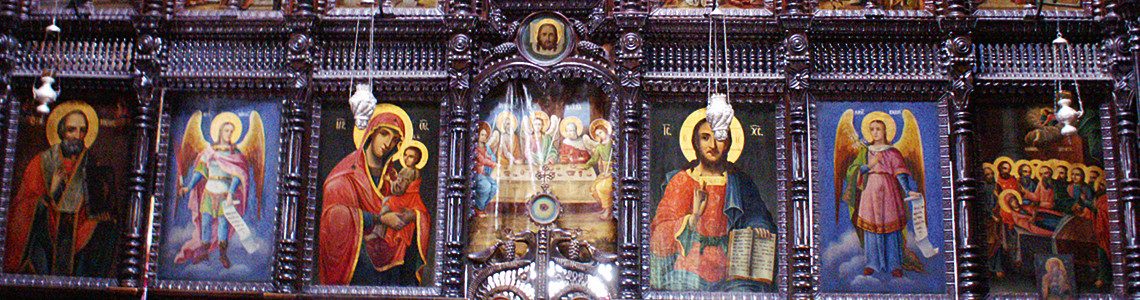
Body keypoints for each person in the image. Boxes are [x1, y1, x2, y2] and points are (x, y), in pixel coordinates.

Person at [650, 117, 775, 292]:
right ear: (695, 142)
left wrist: (758, 226)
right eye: (705, 137)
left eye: (720, 137)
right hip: (690, 270)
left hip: (733, 272)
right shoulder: (681, 181)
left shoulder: (740, 181)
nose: (713, 145)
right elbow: (658, 236)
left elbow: (757, 214)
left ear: (729, 143)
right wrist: (692, 219)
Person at [5, 102, 117, 276]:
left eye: (82, 130)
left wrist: (102, 217)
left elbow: (104, 210)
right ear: (61, 131)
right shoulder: (41, 162)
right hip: (46, 242)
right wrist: (51, 192)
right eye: (72, 130)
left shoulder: (94, 164)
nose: (78, 136)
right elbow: (23, 206)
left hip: (81, 247)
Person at [320, 110, 430, 286]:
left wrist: (413, 216)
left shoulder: (394, 173)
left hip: (392, 263)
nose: (388, 143)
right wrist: (380, 219)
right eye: (384, 134)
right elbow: (335, 218)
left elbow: (415, 206)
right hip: (358, 265)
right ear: (371, 133)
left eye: (395, 140)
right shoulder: (344, 176)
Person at [840, 119, 923, 278]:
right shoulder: (865, 152)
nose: (875, 132)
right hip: (869, 192)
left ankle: (894, 264)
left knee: (891, 229)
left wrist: (908, 191)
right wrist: (870, 165)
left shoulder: (893, 152)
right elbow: (854, 171)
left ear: (885, 131)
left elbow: (900, 173)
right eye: (872, 129)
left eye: (878, 129)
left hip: (889, 191)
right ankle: (872, 263)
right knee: (871, 229)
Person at [175, 120, 254, 269]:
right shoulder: (210, 151)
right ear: (220, 132)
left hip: (224, 193)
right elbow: (201, 171)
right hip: (209, 192)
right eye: (226, 130)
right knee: (205, 223)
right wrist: (189, 187)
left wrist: (231, 193)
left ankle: (223, 254)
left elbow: (237, 175)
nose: (229, 134)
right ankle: (204, 251)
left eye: (231, 131)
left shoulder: (234, 153)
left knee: (223, 225)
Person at [582, 119, 613, 219]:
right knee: (594, 188)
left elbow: (619, 160)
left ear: (606, 131)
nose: (599, 135)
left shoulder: (613, 145)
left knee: (602, 188)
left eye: (600, 132)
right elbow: (595, 159)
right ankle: (605, 207)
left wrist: (611, 173)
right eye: (597, 134)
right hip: (605, 172)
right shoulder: (599, 147)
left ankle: (608, 210)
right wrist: (585, 166)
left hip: (613, 173)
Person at [473, 122, 499, 217]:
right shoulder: (475, 147)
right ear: (478, 135)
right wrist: (493, 164)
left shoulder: (486, 147)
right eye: (482, 135)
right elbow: (482, 160)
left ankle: (482, 207)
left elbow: (492, 156)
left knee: (494, 187)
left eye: (486, 135)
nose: (484, 137)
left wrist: (491, 157)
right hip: (477, 174)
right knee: (486, 186)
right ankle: (478, 208)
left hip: (485, 174)